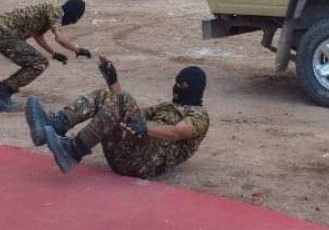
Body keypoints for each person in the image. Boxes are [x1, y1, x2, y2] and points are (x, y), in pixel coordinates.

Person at [29, 57, 210, 179]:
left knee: (123, 100)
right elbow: (129, 109)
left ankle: (73, 151)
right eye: (176, 82)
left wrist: (145, 128)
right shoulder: (166, 106)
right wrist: (113, 81)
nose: (177, 87)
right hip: (128, 153)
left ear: (195, 89)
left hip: (146, 163)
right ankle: (54, 125)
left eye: (182, 84)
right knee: (104, 95)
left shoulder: (199, 115)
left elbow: (178, 132)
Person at [0, 0, 91, 111]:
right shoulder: (56, 12)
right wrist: (77, 50)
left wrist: (53, 53)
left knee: (36, 61)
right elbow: (59, 37)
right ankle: (1, 94)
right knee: (38, 63)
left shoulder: (49, 11)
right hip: (3, 34)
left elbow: (38, 35)